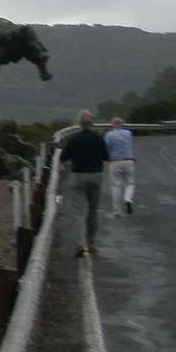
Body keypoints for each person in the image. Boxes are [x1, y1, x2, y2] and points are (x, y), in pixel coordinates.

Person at [60, 109, 109, 256]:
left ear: (79, 123)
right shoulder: (99, 138)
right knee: (93, 211)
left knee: (79, 212)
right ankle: (91, 243)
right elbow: (106, 157)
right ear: (92, 123)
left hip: (78, 176)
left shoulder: (74, 139)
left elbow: (63, 157)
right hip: (96, 176)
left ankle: (80, 244)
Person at [105, 116, 136, 216]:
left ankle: (117, 211)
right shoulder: (128, 133)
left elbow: (106, 147)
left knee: (116, 185)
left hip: (115, 162)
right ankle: (128, 199)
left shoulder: (109, 135)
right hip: (129, 160)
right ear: (122, 124)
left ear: (113, 125)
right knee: (130, 183)